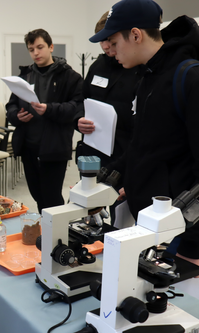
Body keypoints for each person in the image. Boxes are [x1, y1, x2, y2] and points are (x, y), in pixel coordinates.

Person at [89, 0, 199, 264]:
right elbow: (144, 144)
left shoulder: (198, 81)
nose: (111, 51)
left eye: (113, 41)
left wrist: (191, 244)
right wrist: (111, 181)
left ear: (135, 35)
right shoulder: (148, 78)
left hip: (178, 233)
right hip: (147, 220)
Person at [6, 29, 84, 213]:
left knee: (52, 198)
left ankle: (57, 237)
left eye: (40, 47)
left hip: (54, 148)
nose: (36, 53)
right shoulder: (24, 77)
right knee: (37, 195)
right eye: (31, 49)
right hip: (29, 147)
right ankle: (45, 232)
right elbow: (11, 106)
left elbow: (77, 107)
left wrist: (50, 109)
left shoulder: (69, 77)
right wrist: (16, 115)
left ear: (51, 47)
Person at [77, 11, 143, 223]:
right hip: (93, 151)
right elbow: (80, 100)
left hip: (123, 152)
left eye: (109, 40)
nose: (105, 46)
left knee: (121, 214)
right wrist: (78, 119)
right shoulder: (97, 66)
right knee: (90, 210)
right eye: (101, 42)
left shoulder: (137, 69)